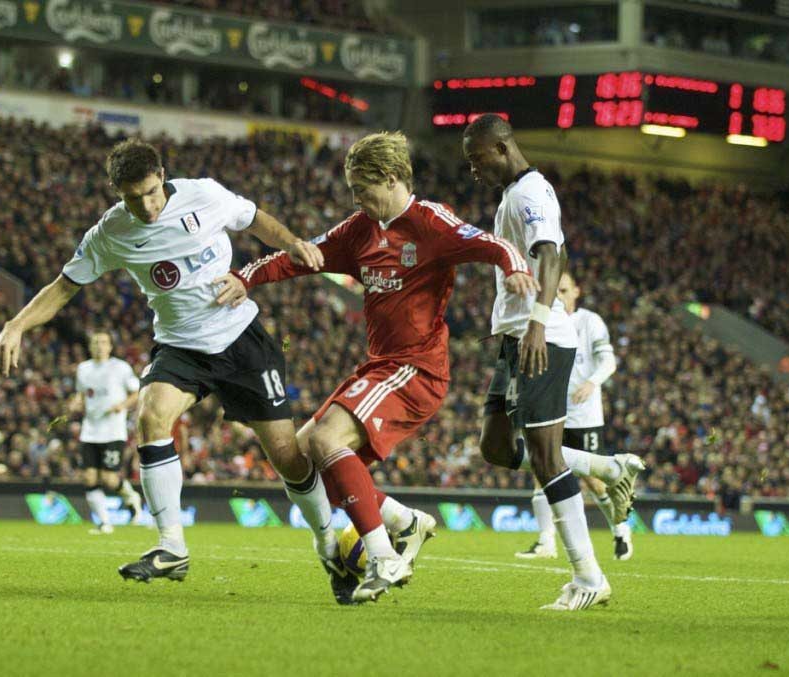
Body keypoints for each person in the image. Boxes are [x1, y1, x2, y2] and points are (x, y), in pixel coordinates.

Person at [0, 139, 338, 587]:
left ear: (164, 176)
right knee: (151, 417)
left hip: (240, 339)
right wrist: (15, 326)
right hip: (180, 346)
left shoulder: (205, 195)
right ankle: (171, 545)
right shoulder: (110, 232)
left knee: (287, 456)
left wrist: (292, 243)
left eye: (152, 192)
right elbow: (64, 285)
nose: (147, 206)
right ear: (116, 192)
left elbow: (252, 219)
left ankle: (328, 541)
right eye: (133, 198)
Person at [214, 131, 539, 603]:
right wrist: (248, 276)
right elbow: (304, 256)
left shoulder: (430, 222)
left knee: (326, 441)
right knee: (300, 459)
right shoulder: (358, 229)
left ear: (390, 179)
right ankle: (406, 522)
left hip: (416, 369)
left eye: (361, 189)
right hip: (380, 367)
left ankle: (383, 556)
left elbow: (492, 244)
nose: (356, 199)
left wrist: (516, 268)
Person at [462, 114, 644, 611]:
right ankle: (606, 468)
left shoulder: (529, 194)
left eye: (477, 160)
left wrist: (538, 323)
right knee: (496, 446)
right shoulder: (513, 196)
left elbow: (551, 256)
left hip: (540, 339)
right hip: (517, 337)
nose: (474, 171)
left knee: (545, 457)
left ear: (501, 147)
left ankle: (588, 577)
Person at [516, 273, 634, 560]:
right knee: (540, 470)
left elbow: (609, 360)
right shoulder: (545, 321)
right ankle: (546, 541)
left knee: (593, 481)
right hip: (552, 411)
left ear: (577, 292)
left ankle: (620, 529)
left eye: (564, 290)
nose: (558, 296)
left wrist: (593, 382)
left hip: (584, 416)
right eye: (554, 291)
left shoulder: (589, 322)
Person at [69, 330, 143, 534]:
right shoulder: (83, 369)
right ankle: (103, 522)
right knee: (89, 478)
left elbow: (137, 392)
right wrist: (76, 402)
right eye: (95, 342)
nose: (99, 346)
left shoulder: (120, 368)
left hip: (113, 431)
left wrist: (123, 405)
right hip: (90, 430)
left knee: (109, 479)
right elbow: (82, 394)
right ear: (90, 346)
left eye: (103, 342)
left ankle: (132, 498)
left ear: (110, 346)